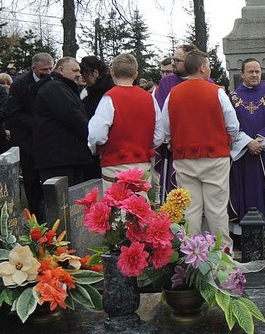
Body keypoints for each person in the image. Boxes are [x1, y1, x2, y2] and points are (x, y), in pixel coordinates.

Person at [161, 50, 239, 244]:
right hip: (215, 156)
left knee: (189, 209)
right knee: (217, 208)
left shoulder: (173, 93)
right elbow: (233, 125)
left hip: (184, 156)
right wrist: (228, 139)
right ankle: (222, 255)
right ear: (203, 68)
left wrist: (174, 140)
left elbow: (165, 126)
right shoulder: (217, 92)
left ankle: (191, 255)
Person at [229, 58, 265, 249]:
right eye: (251, 72)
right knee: (244, 191)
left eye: (257, 71)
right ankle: (243, 234)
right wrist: (247, 143)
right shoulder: (233, 97)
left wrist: (260, 141)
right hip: (244, 155)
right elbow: (228, 124)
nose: (255, 75)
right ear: (242, 73)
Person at [87, 53, 164, 195]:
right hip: (141, 163)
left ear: (112, 73)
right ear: (135, 74)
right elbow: (159, 135)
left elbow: (96, 134)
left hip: (114, 163)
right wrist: (144, 146)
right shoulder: (149, 99)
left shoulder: (109, 98)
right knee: (139, 209)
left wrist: (95, 149)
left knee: (115, 210)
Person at [4, 53, 54, 220]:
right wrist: (39, 123)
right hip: (28, 141)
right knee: (31, 182)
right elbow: (14, 113)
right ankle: (36, 219)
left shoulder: (54, 82)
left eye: (50, 69)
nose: (47, 72)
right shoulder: (19, 85)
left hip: (49, 142)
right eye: (43, 70)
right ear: (33, 69)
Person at [32, 57, 93, 186]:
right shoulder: (55, 88)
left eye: (79, 71)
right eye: (74, 70)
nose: (78, 74)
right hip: (59, 158)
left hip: (66, 156)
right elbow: (72, 116)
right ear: (61, 70)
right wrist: (92, 133)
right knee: (64, 200)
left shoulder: (64, 87)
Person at [155, 43, 199, 198]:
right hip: (175, 146)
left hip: (201, 148)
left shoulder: (206, 82)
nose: (173, 63)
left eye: (177, 60)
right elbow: (162, 112)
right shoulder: (167, 83)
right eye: (173, 59)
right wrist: (170, 138)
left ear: (190, 61)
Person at [80, 55, 115, 181]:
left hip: (101, 146)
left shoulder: (104, 92)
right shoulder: (91, 90)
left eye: (85, 74)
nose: (83, 78)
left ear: (95, 73)